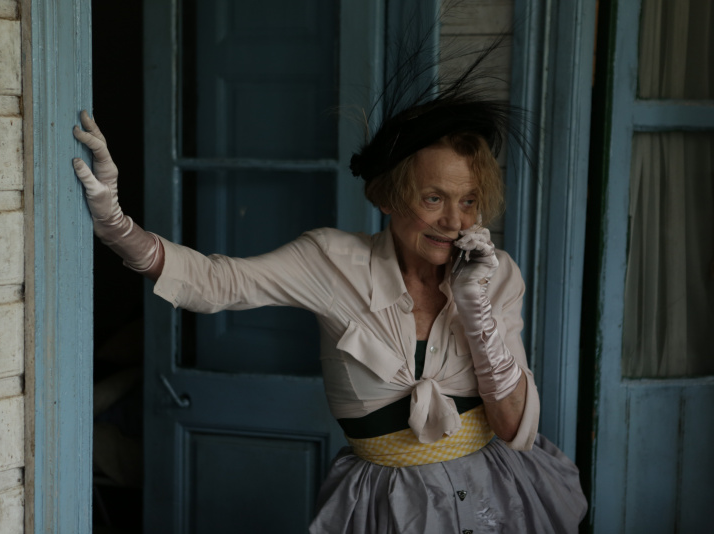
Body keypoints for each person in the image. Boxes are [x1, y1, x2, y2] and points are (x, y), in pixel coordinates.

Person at [72, 57, 587, 532]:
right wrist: (116, 224)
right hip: (388, 508)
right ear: (391, 196)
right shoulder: (331, 260)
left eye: (469, 201)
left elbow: (513, 425)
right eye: (434, 198)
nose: (454, 222)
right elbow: (215, 282)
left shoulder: (497, 274)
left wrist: (476, 308)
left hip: (500, 497)